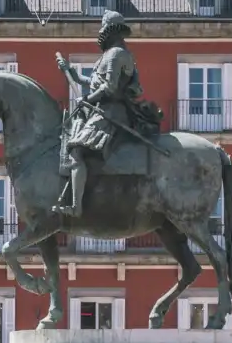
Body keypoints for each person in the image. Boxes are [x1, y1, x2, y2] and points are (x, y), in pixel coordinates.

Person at [51, 11, 163, 217]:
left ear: (110, 32)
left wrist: (88, 99)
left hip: (111, 112)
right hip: (102, 110)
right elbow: (95, 82)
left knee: (75, 151)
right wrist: (74, 75)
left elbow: (110, 88)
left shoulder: (116, 54)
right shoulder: (112, 54)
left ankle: (76, 207)